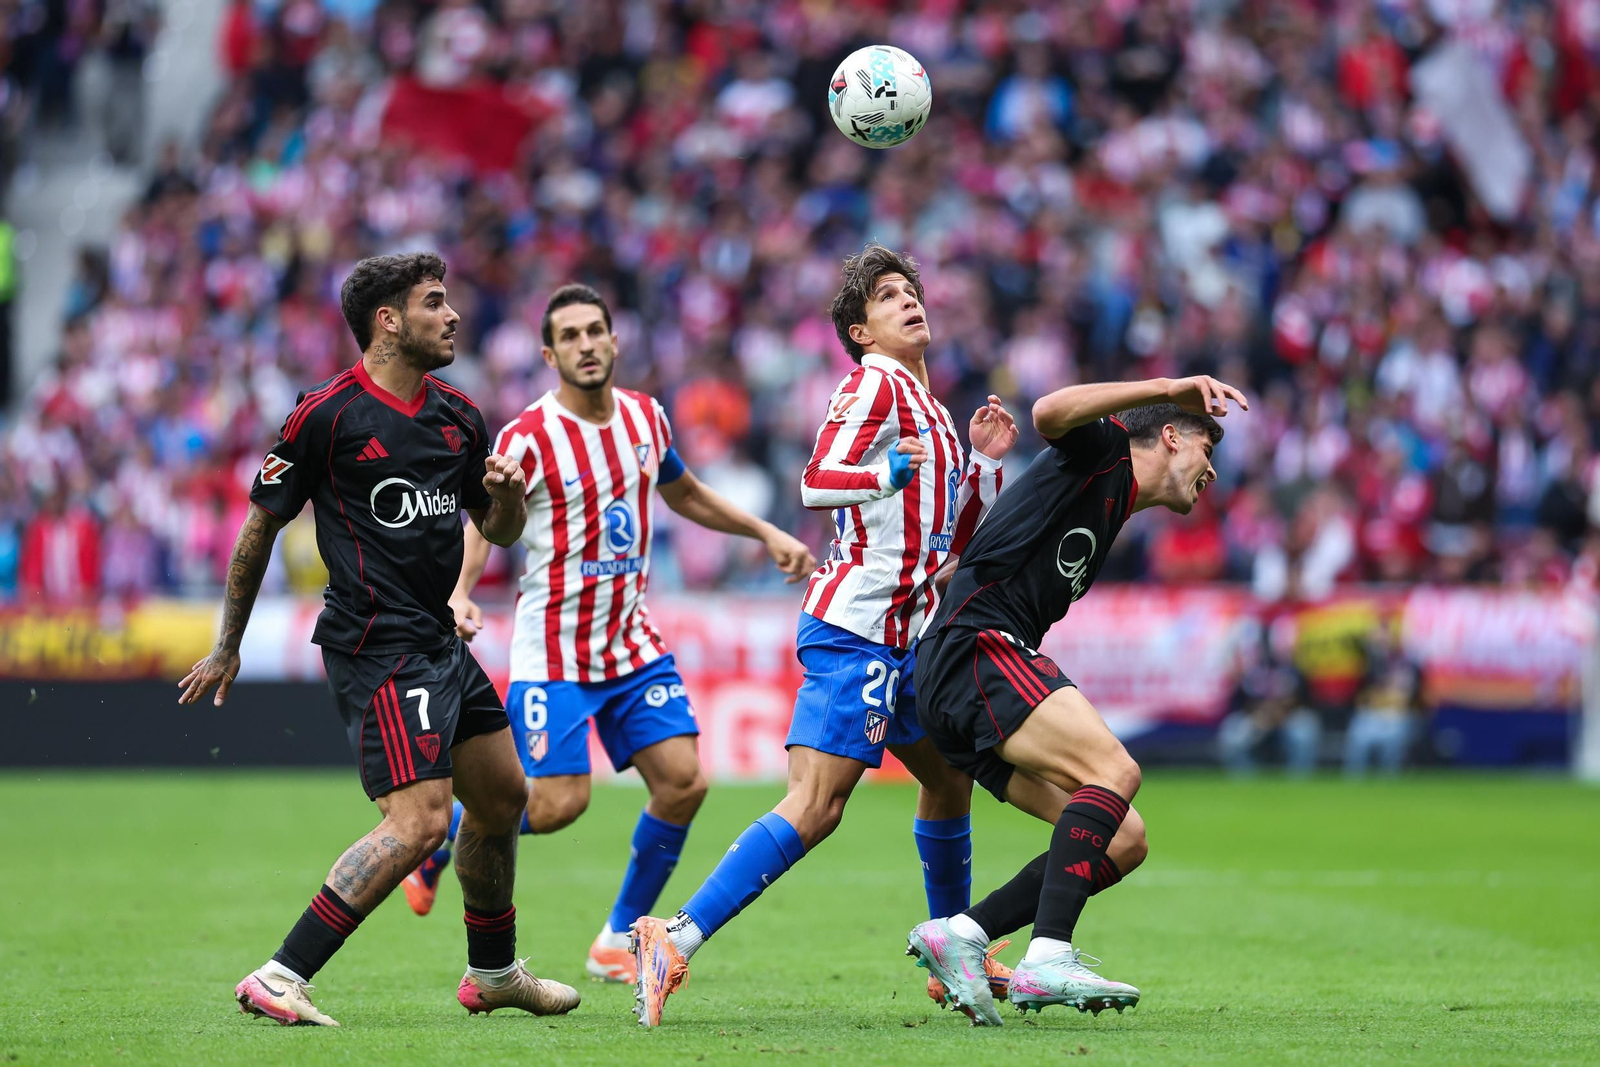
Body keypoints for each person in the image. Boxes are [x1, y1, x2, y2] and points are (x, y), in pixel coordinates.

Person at [178, 252, 580, 1027]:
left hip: (439, 642)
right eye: (435, 302)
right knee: (421, 820)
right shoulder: (325, 413)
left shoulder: (459, 416)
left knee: (501, 797)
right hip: (376, 644)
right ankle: (280, 973)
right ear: (388, 321)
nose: (454, 314)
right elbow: (260, 525)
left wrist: (504, 503)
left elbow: (493, 528)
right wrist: (228, 642)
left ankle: (493, 971)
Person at [629, 243, 1023, 1027]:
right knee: (816, 804)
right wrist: (887, 476)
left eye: (911, 289)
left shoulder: (935, 412)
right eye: (887, 296)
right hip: (858, 629)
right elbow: (815, 479)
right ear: (861, 331)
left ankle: (954, 949)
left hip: (911, 635)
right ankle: (672, 935)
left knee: (947, 780)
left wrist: (980, 466)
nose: (910, 301)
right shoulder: (871, 387)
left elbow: (956, 540)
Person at [398, 283, 816, 984]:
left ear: (615, 341)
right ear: (549, 352)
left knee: (684, 783)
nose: (587, 344)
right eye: (571, 335)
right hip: (555, 648)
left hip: (630, 643)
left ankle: (617, 936)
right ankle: (441, 844)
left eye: (597, 331)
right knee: (559, 804)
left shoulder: (647, 418)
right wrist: (461, 591)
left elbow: (681, 490)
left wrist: (764, 529)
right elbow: (486, 521)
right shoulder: (529, 435)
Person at [903, 374, 1247, 1025]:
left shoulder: (1113, 502)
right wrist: (1172, 386)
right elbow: (1049, 410)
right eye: (1208, 447)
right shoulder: (1108, 448)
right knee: (1115, 770)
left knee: (1122, 838)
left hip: (957, 679)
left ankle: (964, 934)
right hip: (976, 648)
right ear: (1170, 436)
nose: (1212, 470)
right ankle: (1047, 955)